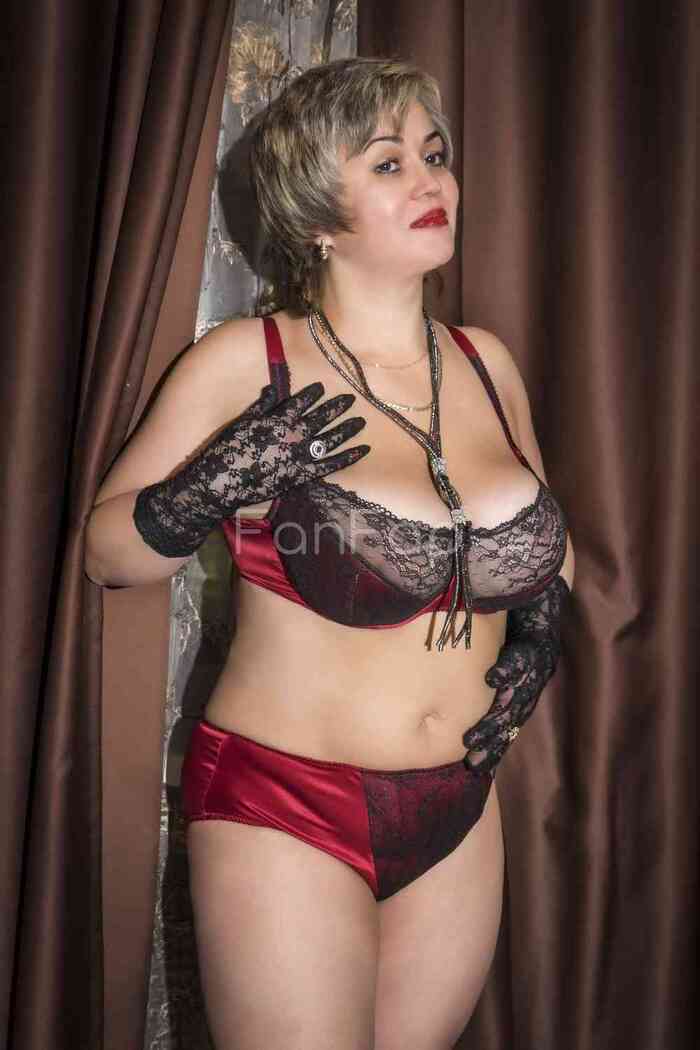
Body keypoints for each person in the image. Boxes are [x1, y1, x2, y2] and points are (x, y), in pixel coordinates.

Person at [86, 57, 574, 1050]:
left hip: (459, 808)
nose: (431, 180)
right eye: (388, 163)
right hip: (285, 802)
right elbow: (107, 554)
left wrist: (539, 633)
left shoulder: (486, 364)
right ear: (316, 215)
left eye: (434, 154)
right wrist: (208, 483)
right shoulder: (248, 361)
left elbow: (548, 554)